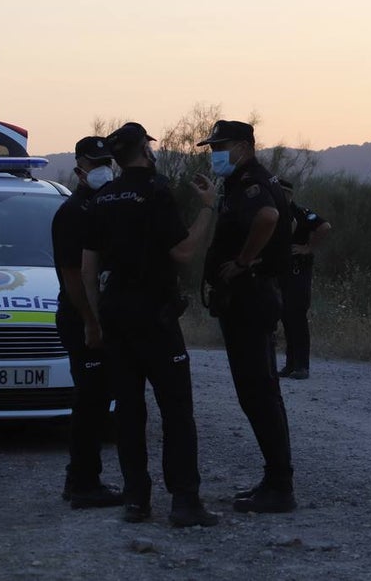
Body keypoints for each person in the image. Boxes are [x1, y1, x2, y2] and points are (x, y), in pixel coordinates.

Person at [81, 122, 220, 528]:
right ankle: (184, 502)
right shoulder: (155, 191)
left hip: (115, 317)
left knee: (128, 410)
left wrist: (94, 321)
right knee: (176, 409)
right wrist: (208, 208)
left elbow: (89, 269)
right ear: (146, 148)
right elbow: (184, 250)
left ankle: (136, 500)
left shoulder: (102, 198)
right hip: (155, 318)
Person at [197, 119, 297, 514]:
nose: (214, 154)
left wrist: (242, 262)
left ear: (242, 146)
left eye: (219, 146)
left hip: (251, 297)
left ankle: (279, 485)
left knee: (259, 393)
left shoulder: (253, 182)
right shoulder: (240, 182)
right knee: (257, 393)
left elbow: (270, 218)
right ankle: (273, 480)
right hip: (245, 297)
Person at [50, 136, 124, 509]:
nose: (102, 169)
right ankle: (81, 482)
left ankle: (86, 478)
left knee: (99, 398)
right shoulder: (73, 212)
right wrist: (90, 322)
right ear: (79, 167)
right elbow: (73, 275)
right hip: (82, 316)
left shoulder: (106, 205)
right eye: (95, 164)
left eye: (107, 162)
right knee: (90, 400)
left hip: (101, 316)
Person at [277, 179, 332, 380]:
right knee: (286, 317)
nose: (280, 196)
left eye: (283, 192)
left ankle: (302, 366)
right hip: (281, 272)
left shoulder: (300, 212)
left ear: (289, 194)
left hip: (298, 271)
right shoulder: (275, 213)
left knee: (297, 318)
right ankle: (290, 364)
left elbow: (324, 226)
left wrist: (307, 248)